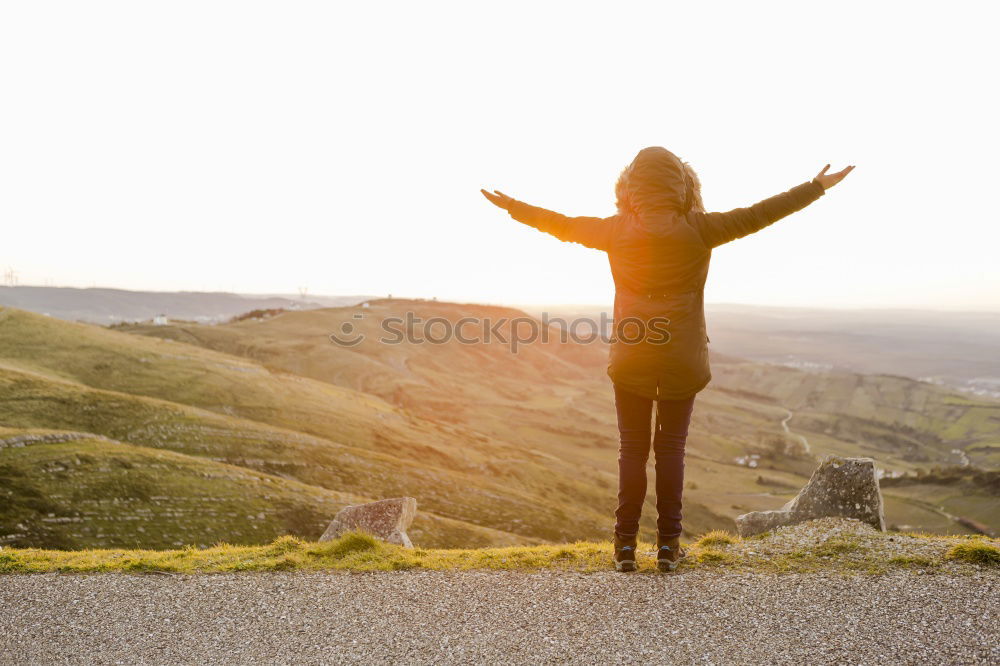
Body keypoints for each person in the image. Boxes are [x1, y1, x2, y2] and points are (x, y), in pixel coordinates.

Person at [482, 147, 854, 572]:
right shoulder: (701, 228)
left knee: (632, 450)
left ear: (629, 188)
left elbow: (559, 225)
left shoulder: (615, 230)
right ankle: (667, 547)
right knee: (671, 450)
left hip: (632, 353)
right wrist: (815, 188)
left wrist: (511, 206)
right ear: (683, 186)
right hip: (682, 354)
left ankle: (624, 547)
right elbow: (763, 213)